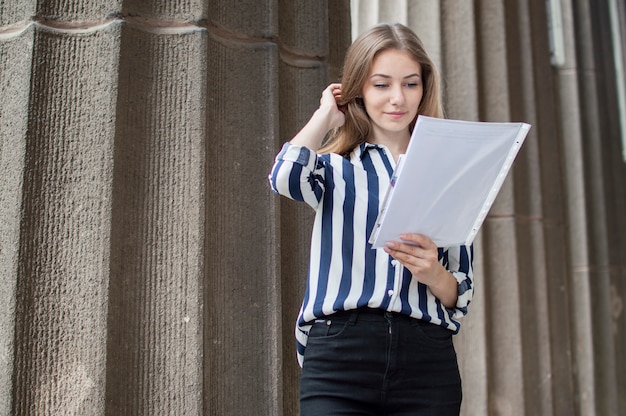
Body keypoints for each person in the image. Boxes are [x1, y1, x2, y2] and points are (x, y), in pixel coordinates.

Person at [268, 23, 474, 416]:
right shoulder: (334, 169)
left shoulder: (446, 176)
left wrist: (433, 273)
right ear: (358, 88)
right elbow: (284, 177)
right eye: (382, 84)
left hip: (426, 361)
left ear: (424, 88)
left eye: (410, 84)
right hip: (339, 352)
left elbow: (460, 293)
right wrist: (327, 115)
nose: (398, 98)